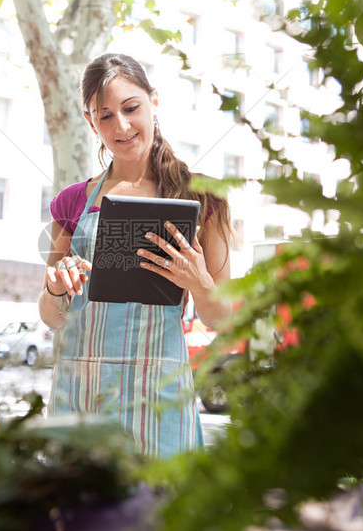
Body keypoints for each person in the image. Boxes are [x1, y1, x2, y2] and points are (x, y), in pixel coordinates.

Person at [40, 53, 233, 458]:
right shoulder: (72, 202)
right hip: (80, 394)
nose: (121, 126)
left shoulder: (202, 197)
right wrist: (56, 288)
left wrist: (198, 281)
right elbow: (52, 316)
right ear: (91, 123)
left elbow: (222, 317)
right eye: (104, 116)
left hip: (159, 397)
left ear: (153, 101)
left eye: (131, 108)